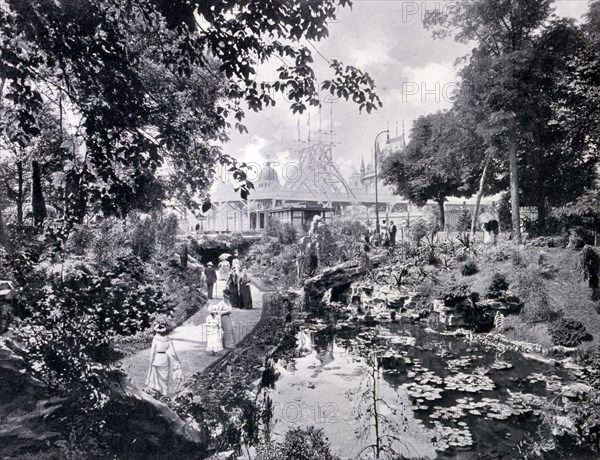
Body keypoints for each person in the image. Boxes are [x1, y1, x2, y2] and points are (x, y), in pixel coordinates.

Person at [145, 324, 183, 397]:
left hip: (158, 358)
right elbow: (172, 352)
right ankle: (164, 393)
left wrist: (151, 361)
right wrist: (177, 360)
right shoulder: (168, 340)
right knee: (165, 377)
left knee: (156, 376)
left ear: (157, 331)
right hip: (165, 358)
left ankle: (158, 392)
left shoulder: (155, 339)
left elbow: (152, 352)